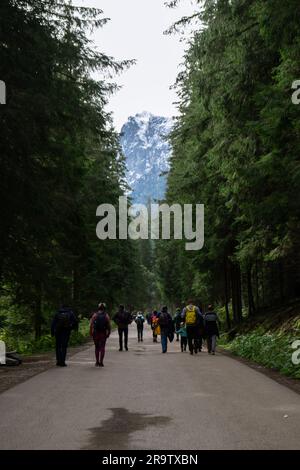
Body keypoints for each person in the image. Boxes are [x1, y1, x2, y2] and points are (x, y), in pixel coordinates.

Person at [90, 303, 111, 367]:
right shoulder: (106, 315)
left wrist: (91, 332)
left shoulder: (95, 315)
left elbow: (91, 325)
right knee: (102, 347)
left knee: (97, 347)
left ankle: (97, 362)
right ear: (104, 308)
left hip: (96, 333)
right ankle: (101, 362)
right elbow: (109, 326)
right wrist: (108, 333)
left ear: (98, 308)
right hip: (103, 333)